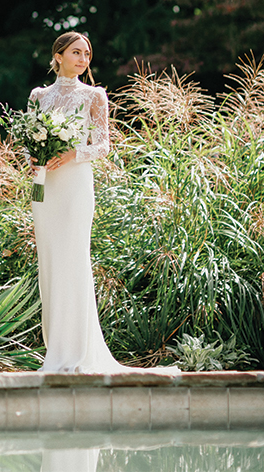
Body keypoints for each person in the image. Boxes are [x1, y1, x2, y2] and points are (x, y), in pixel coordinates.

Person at [28, 31, 179, 375]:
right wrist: (33, 159)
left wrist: (71, 154)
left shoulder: (93, 96)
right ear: (59, 55)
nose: (83, 59)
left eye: (87, 54)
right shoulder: (38, 96)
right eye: (76, 52)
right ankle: (56, 350)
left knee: (74, 259)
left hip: (76, 183)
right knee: (50, 261)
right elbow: (27, 139)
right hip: (45, 187)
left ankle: (77, 353)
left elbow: (103, 145)